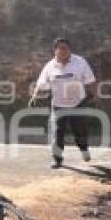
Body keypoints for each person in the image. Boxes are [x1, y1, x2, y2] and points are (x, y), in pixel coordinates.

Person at [29, 38, 97, 169]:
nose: (64, 51)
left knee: (80, 131)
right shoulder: (50, 66)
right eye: (61, 48)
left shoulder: (80, 62)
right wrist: (34, 97)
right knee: (56, 132)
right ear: (55, 51)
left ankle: (84, 149)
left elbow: (90, 80)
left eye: (66, 48)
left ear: (70, 49)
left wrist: (95, 96)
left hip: (77, 103)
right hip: (58, 105)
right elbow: (41, 83)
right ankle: (57, 159)